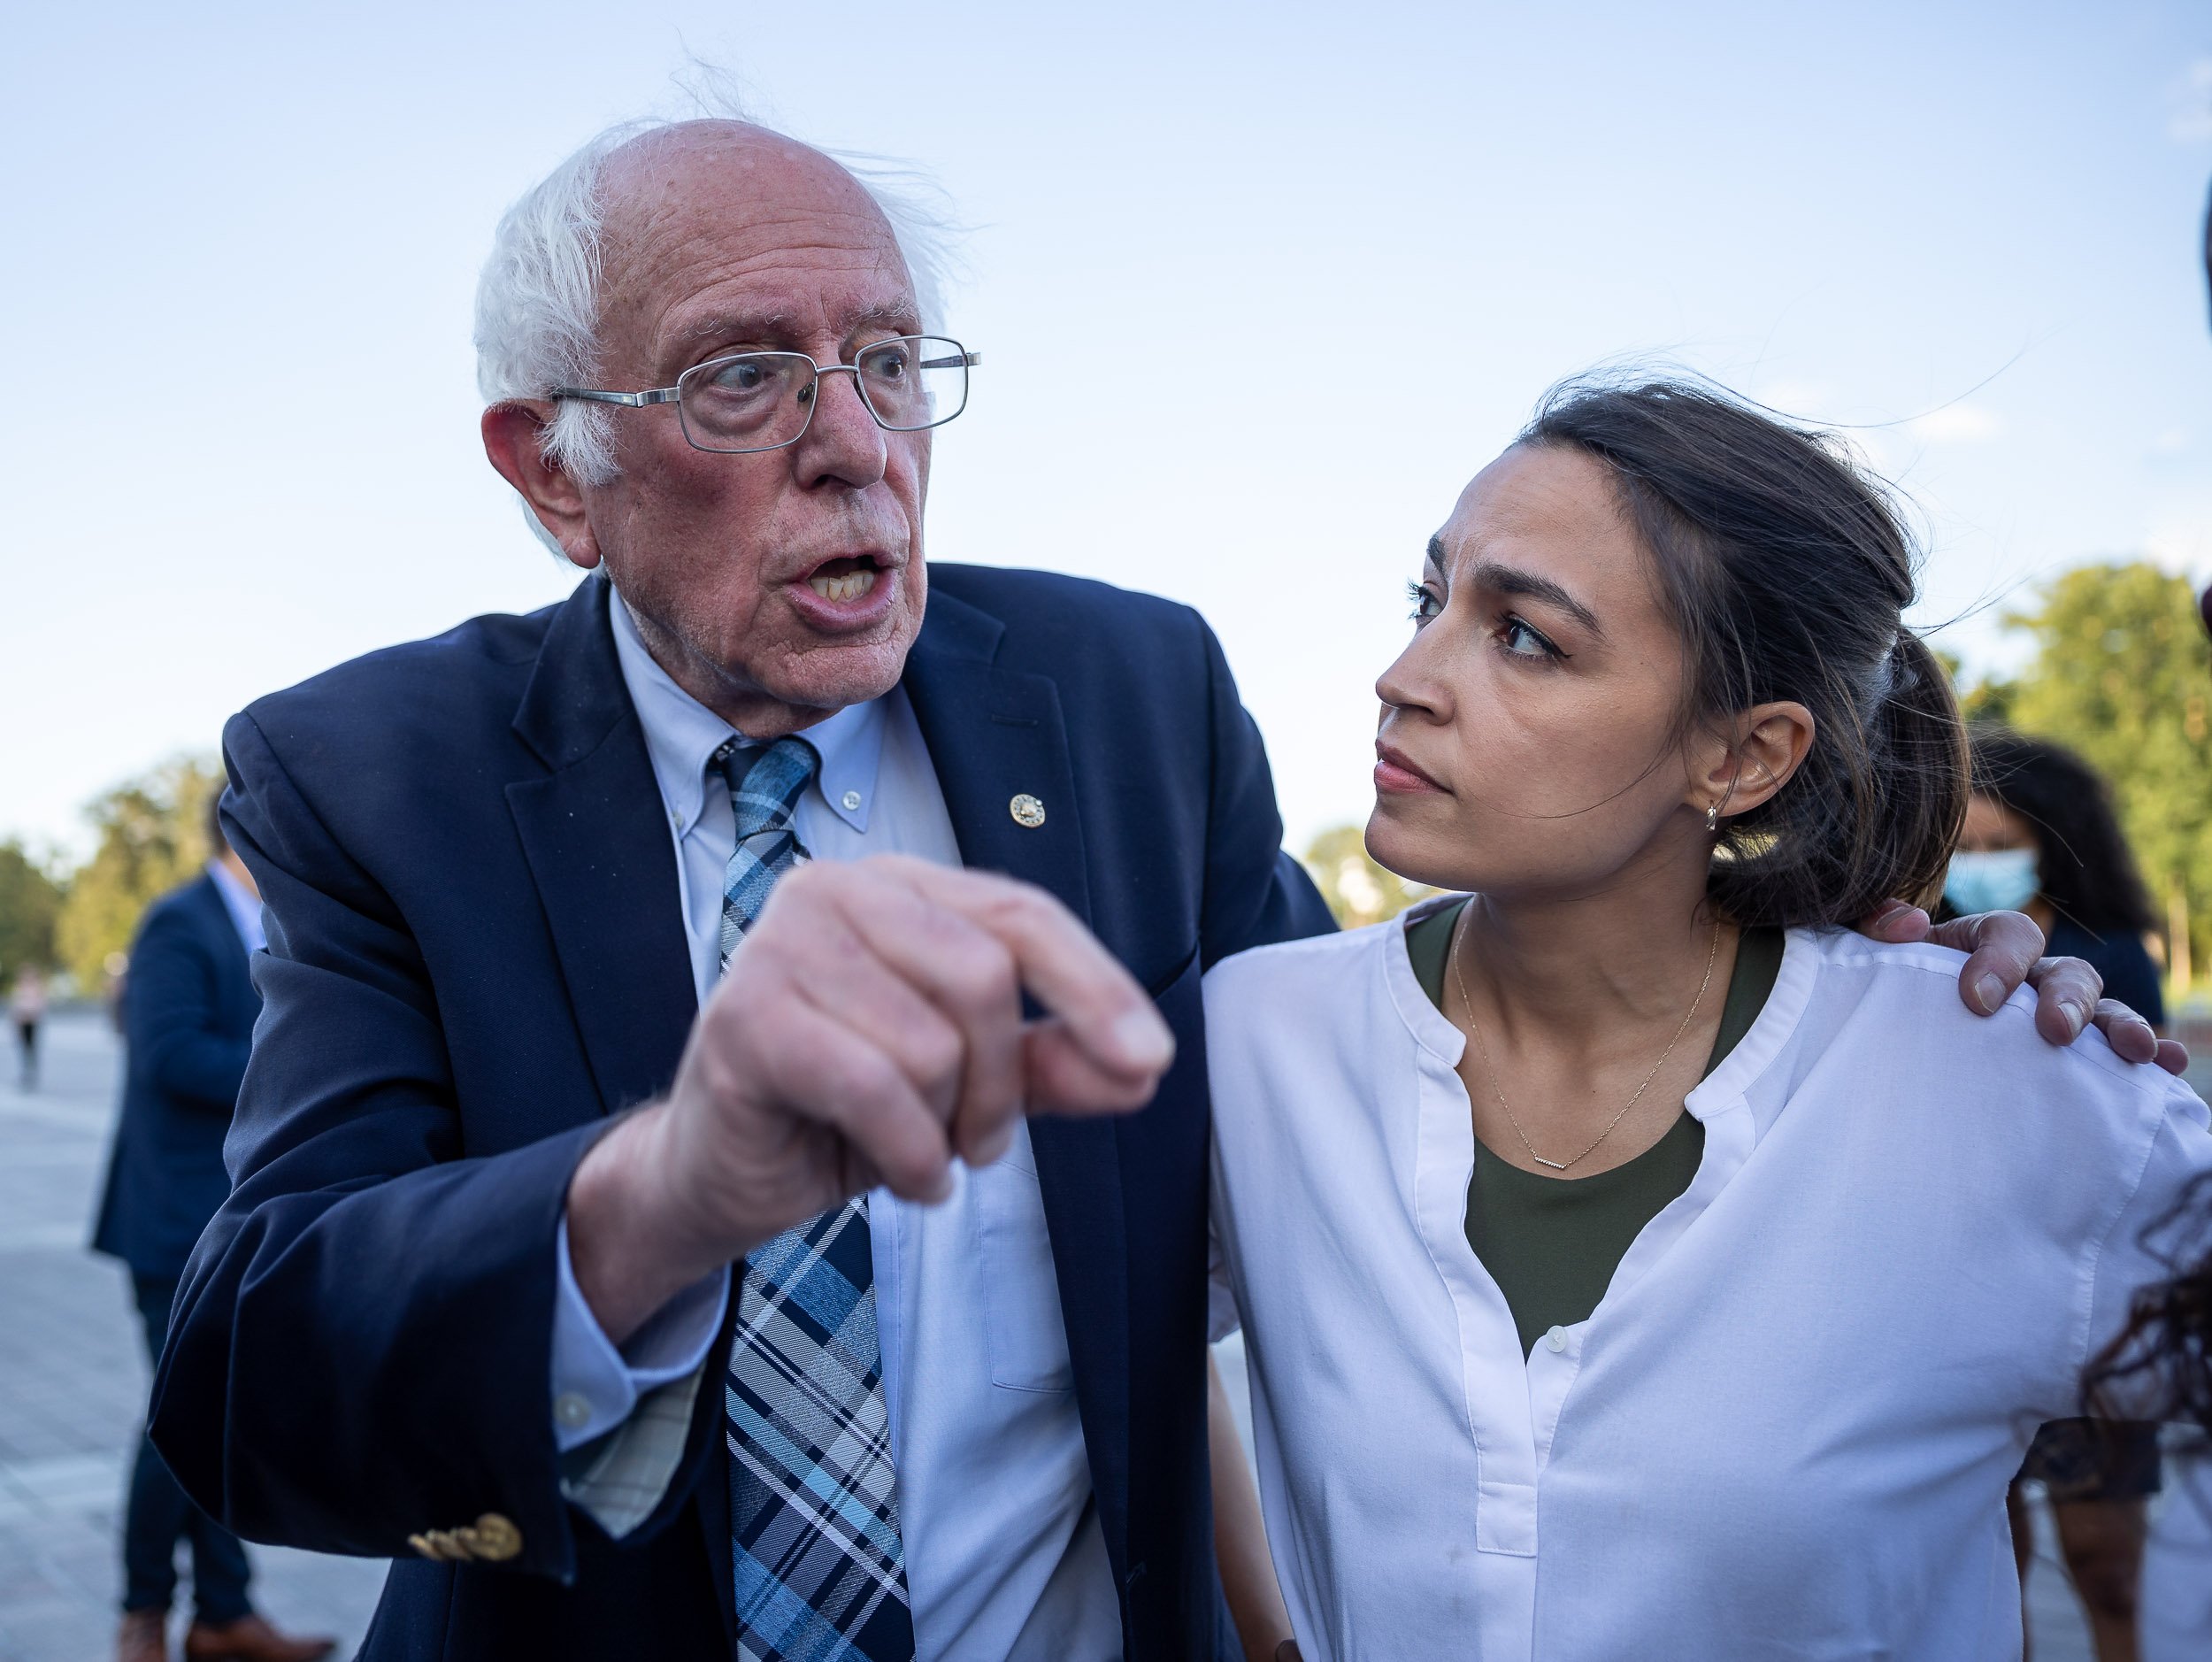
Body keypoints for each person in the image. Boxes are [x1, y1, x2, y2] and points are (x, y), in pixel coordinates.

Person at [148, 108, 2134, 1662]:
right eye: (744, 379)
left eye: (888, 361)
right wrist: (667, 1189)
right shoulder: (370, 771)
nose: (859, 449)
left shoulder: (1123, 694)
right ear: (553, 469)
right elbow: (249, 1386)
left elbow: (1350, 1124)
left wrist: (1840, 984)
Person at [1203, 378, 2210, 1661]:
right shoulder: (1255, 1041)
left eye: (1526, 637)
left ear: (1742, 757)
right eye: (1432, 599)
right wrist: (1269, 1632)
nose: (1403, 678)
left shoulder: (2008, 1082)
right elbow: (1094, 1334)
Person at [90, 794, 334, 1662]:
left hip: (230, 1218)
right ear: (245, 834)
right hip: (171, 1221)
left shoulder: (265, 920)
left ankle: (224, 1614)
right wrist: (306, 1067)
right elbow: (170, 1055)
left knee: (218, 1411)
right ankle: (142, 1615)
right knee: (179, 1418)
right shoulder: (177, 924)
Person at [1955, 728, 2169, 1662]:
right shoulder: (1928, 951)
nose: (1977, 865)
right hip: (1966, 1286)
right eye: (1962, 844)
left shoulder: (2110, 960)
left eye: (1999, 845)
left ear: (2053, 839)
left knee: (2104, 1556)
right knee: (1992, 1552)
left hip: (2092, 1280)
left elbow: (2134, 1116)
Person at [9, 963, 46, 1089]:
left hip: (32, 1021)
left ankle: (32, 1072)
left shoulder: (37, 988)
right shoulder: (20, 988)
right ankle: (25, 1072)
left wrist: (33, 1015)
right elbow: (15, 1006)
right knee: (23, 1047)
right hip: (22, 1021)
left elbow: (40, 1005)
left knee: (32, 1047)